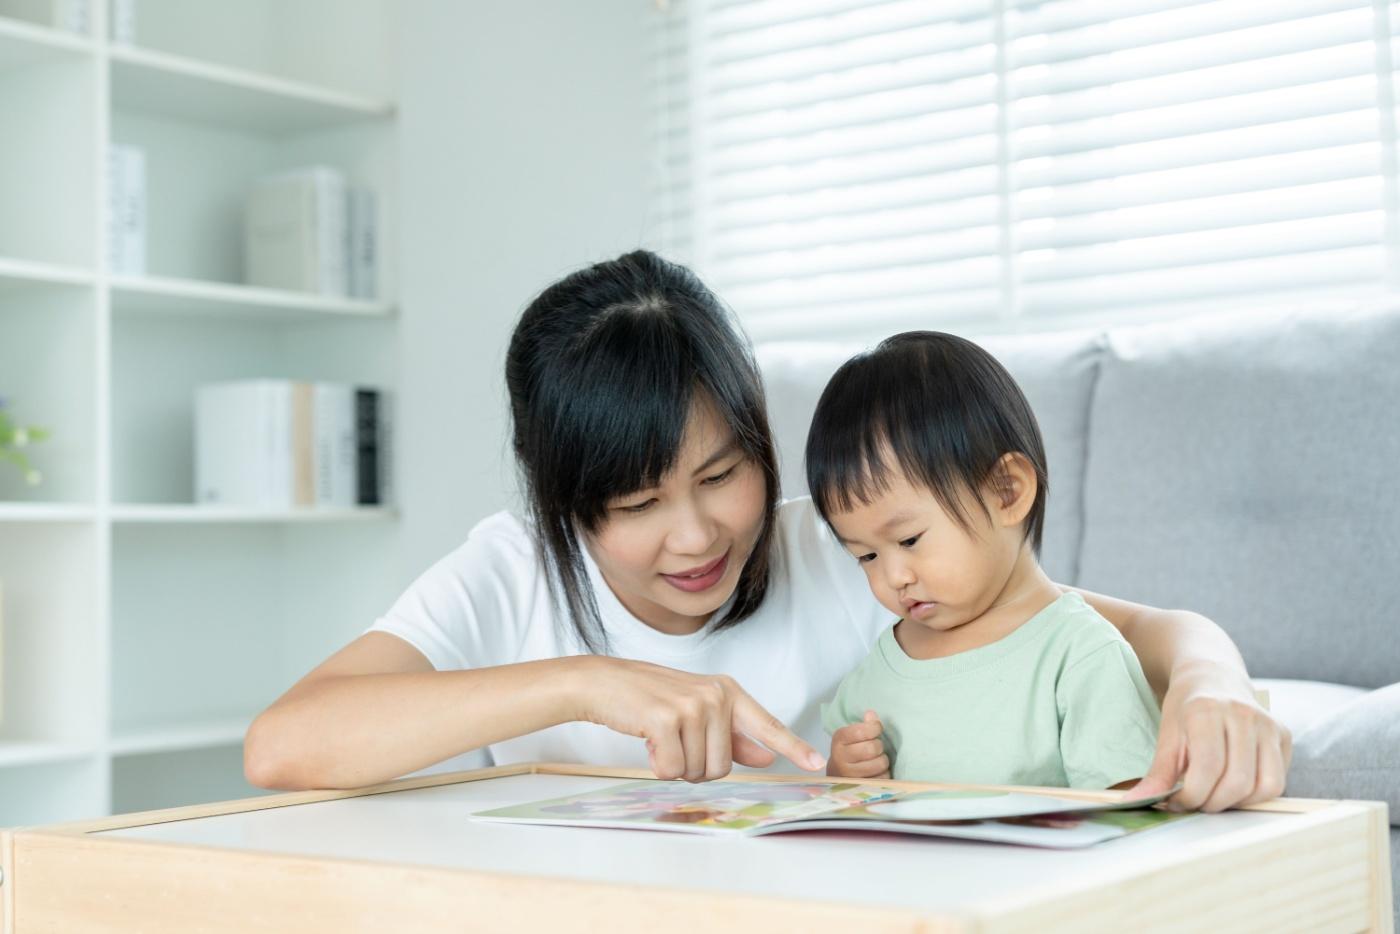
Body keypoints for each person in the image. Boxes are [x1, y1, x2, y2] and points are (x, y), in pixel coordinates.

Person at [244, 250, 1290, 812]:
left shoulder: (842, 551)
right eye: (636, 504)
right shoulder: (513, 568)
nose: (696, 535)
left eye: (721, 473)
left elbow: (1133, 627)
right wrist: (584, 682)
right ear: (564, 504)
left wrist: (1211, 683)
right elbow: (284, 743)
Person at [810, 331, 1158, 787]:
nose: (893, 576)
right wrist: (844, 772)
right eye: (866, 555)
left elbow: (1127, 814)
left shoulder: (1077, 652)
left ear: (1006, 492)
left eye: (910, 540)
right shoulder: (884, 663)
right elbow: (839, 807)